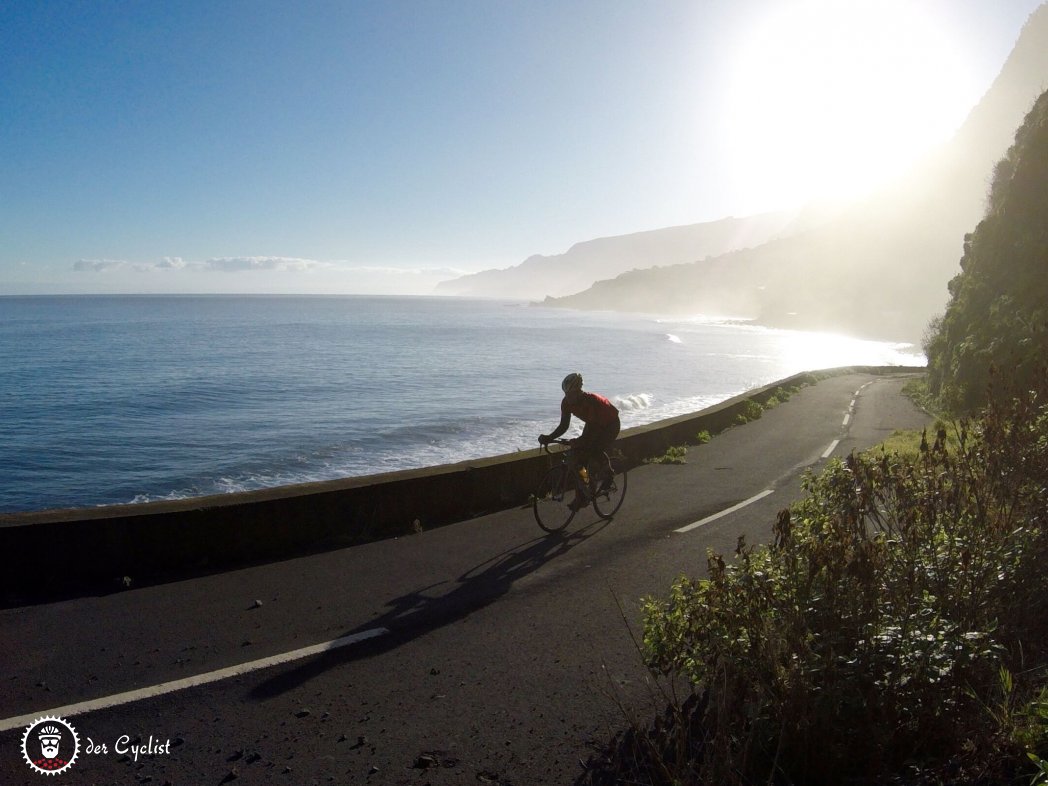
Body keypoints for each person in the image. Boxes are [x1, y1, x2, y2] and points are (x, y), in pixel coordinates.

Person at [539, 372, 620, 507]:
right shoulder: (566, 403)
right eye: (566, 394)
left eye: (571, 394)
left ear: (578, 391)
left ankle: (609, 473)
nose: (568, 398)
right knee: (579, 461)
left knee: (595, 449)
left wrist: (579, 441)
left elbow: (594, 432)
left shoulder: (590, 402)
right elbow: (564, 425)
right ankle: (585, 490)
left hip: (610, 424)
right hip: (594, 422)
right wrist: (549, 437)